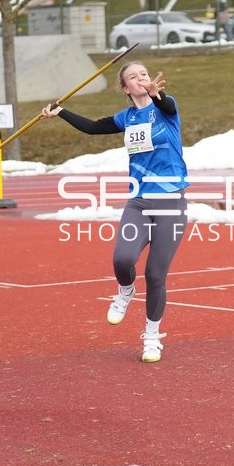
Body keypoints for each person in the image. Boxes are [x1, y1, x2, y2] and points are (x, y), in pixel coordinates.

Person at [41, 62, 188, 363]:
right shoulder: (127, 117)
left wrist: (158, 96)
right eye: (133, 77)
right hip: (139, 202)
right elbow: (95, 127)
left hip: (170, 202)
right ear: (125, 88)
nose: (141, 78)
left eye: (144, 74)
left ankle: (151, 337)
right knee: (122, 259)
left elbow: (169, 105)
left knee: (156, 274)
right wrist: (62, 113)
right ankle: (125, 290)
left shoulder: (165, 110)